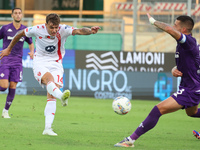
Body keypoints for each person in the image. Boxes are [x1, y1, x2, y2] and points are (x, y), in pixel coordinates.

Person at [0, 13, 100, 136]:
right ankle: (62, 96)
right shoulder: (37, 29)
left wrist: (90, 31)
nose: (54, 30)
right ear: (46, 24)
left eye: (56, 27)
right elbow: (20, 33)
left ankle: (48, 128)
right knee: (49, 80)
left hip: (56, 63)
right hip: (40, 61)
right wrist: (9, 49)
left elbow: (79, 31)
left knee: (51, 96)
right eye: (51, 27)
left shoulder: (63, 29)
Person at [114, 13, 200, 147]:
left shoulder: (188, 42)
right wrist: (174, 69)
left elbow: (169, 30)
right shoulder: (187, 45)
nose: (173, 26)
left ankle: (130, 140)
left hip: (190, 90)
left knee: (157, 110)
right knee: (192, 113)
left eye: (176, 25)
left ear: (183, 30)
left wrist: (153, 21)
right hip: (190, 87)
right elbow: (193, 64)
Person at [0, 8, 34, 118]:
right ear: (12, 15)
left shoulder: (25, 30)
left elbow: (30, 43)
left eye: (19, 13)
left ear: (22, 15)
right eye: (16, 13)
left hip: (18, 62)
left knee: (13, 85)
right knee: (4, 86)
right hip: (5, 61)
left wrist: (32, 52)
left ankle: (5, 111)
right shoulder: (5, 28)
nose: (18, 15)